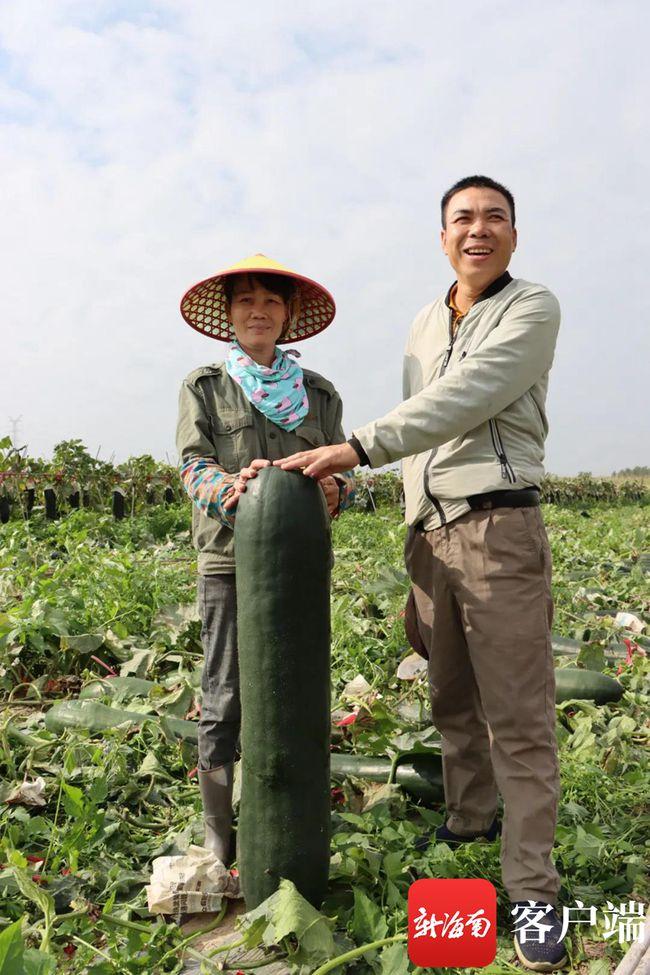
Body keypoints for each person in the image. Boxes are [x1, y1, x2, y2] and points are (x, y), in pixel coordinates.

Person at [276, 177, 568, 972]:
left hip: (498, 526)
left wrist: (358, 449)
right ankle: (471, 818)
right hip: (431, 536)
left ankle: (534, 887)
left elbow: (462, 401)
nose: (478, 230)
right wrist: (391, 507)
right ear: (442, 235)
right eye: (462, 218)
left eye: (494, 217)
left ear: (514, 231)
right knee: (450, 696)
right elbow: (422, 430)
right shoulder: (422, 321)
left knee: (519, 713)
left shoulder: (530, 308)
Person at [176, 253, 354, 867]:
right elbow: (193, 465)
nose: (259, 310)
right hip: (229, 561)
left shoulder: (319, 394)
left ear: (287, 316)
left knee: (299, 692)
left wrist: (339, 491)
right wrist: (232, 492)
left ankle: (296, 818)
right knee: (225, 693)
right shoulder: (205, 387)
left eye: (271, 301)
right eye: (246, 300)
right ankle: (219, 827)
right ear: (229, 315)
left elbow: (345, 474)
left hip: (301, 564)